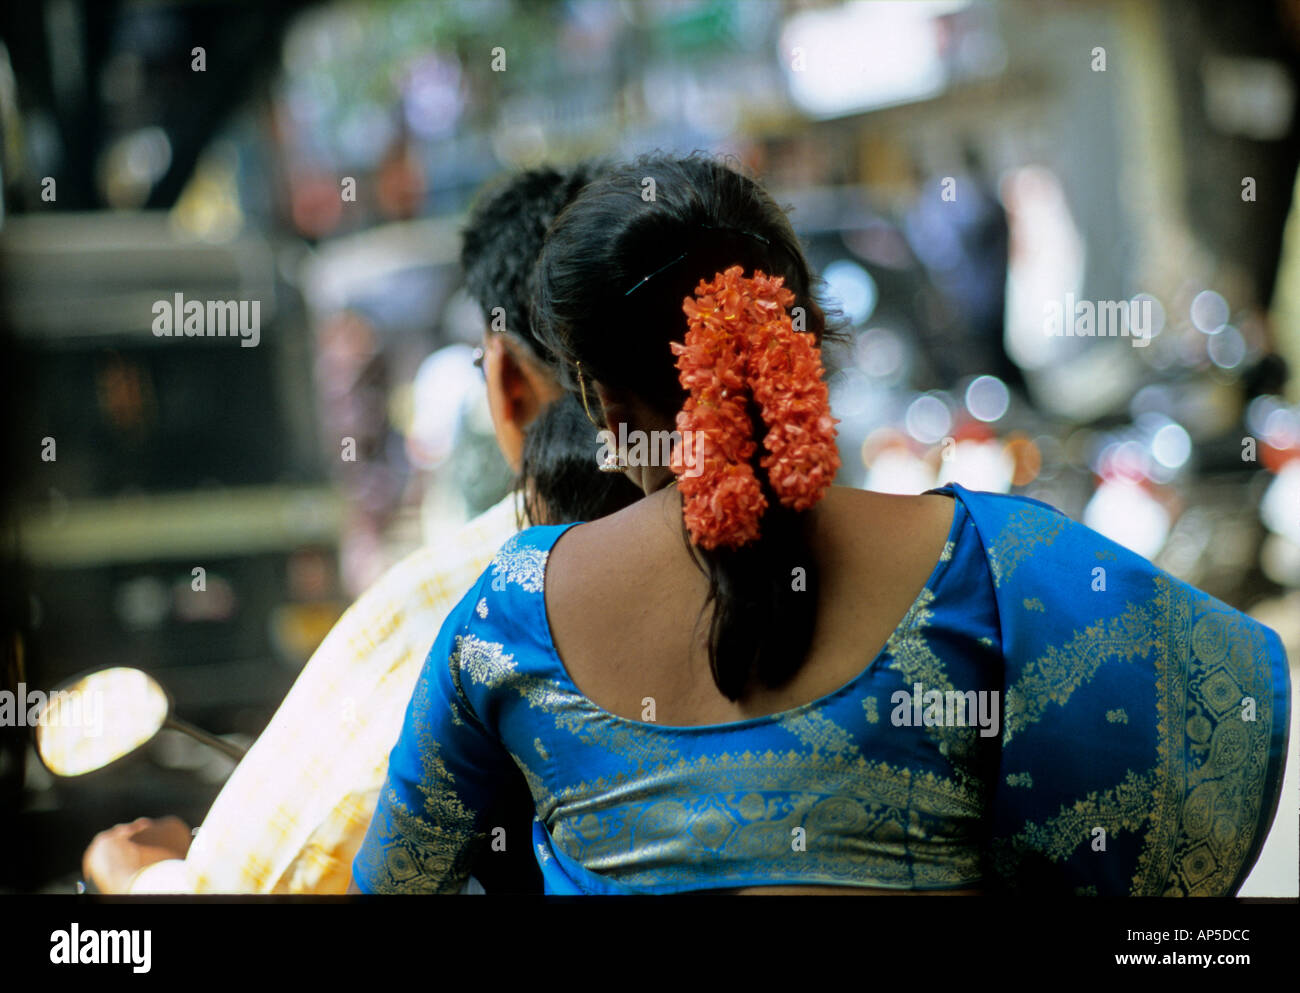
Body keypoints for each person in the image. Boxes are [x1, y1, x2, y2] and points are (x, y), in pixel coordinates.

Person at [351, 153, 1290, 896]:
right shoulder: (999, 567)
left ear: (596, 396)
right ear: (804, 343)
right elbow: (1201, 782)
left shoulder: (510, 614)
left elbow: (401, 880)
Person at [81, 163, 638, 894]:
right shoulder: (791, 563)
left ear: (505, 381)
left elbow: (282, 880)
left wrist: (131, 881)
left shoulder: (473, 604)